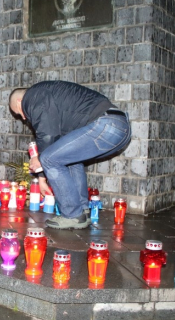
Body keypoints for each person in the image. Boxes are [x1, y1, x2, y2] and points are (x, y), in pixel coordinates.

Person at [9, 81, 131, 229]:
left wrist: (39, 159)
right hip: (120, 127)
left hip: (105, 124)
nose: (23, 117)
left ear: (19, 101)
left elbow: (47, 135)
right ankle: (82, 211)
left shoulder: (34, 96)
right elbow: (57, 147)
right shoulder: (58, 103)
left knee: (48, 158)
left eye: (18, 112)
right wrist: (42, 178)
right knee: (69, 160)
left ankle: (72, 215)